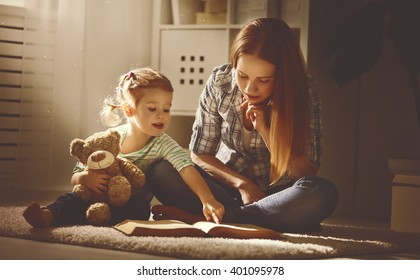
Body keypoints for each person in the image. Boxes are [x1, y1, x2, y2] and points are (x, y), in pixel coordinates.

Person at [150, 18, 339, 232]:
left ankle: (226, 218)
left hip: (280, 195)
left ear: (282, 76)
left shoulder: (303, 91)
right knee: (161, 171)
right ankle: (263, 219)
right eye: (242, 75)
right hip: (225, 190)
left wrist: (267, 132)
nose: (250, 88)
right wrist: (243, 185)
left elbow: (306, 173)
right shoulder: (221, 82)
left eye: (264, 80)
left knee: (322, 192)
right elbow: (201, 154)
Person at [23, 67, 224, 228]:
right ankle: (47, 216)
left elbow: (186, 168)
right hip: (97, 196)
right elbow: (76, 173)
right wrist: (85, 178)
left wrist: (207, 199)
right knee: (71, 199)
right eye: (152, 109)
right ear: (129, 110)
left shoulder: (163, 143)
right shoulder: (110, 139)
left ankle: (95, 218)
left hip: (129, 203)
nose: (161, 115)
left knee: (138, 212)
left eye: (167, 109)